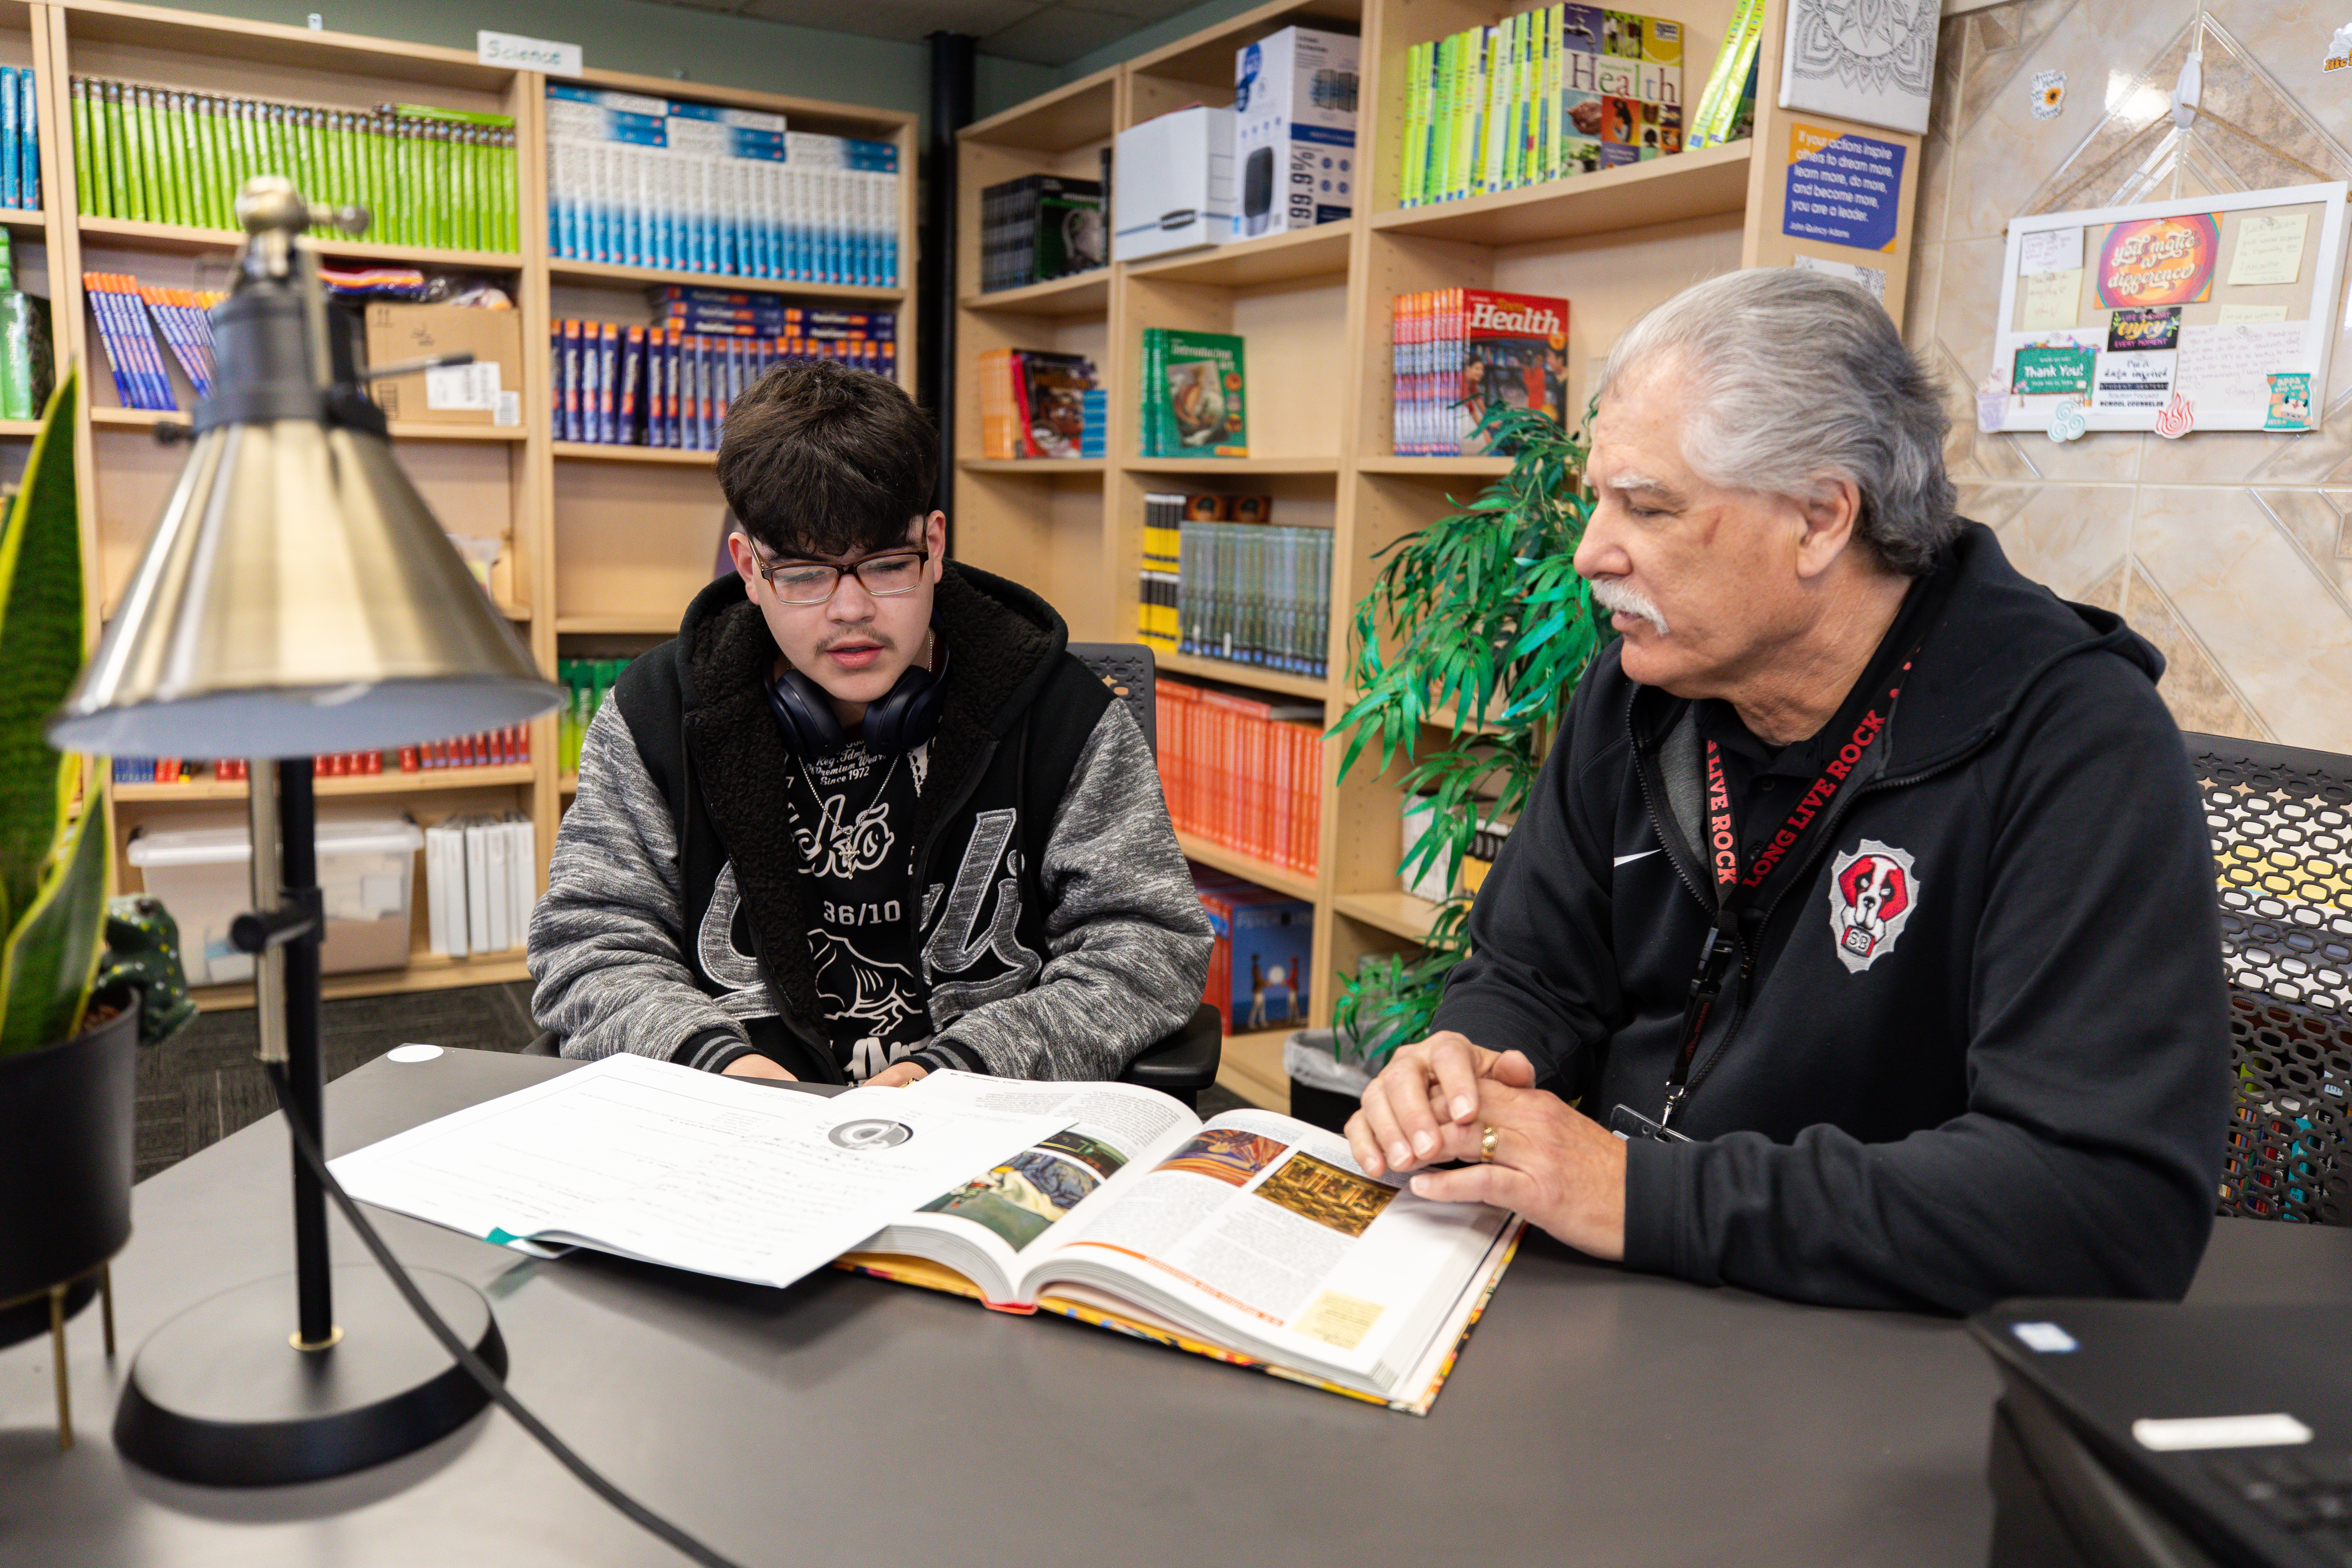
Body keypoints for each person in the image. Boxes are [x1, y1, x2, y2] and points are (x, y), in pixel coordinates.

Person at [1347, 268, 2229, 1314]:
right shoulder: (1645, 682)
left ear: (1818, 519)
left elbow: (2101, 1205)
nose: (1590, 552)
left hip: (1874, 1354)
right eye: (1597, 496)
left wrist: (1643, 1193)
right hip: (1631, 1299)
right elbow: (1532, 974)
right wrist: (1472, 1064)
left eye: (1648, 505)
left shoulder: (2075, 742)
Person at [530, 359, 1212, 1087]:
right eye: (802, 574)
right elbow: (588, 944)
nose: (850, 609)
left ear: (936, 544)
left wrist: (961, 1068)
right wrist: (717, 1063)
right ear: (748, 570)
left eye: (887, 565)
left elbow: (1150, 943)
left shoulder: (1062, 712)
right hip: (738, 1125)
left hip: (977, 1123)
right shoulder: (655, 714)